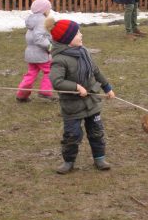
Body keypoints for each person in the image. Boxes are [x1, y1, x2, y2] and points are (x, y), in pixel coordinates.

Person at [49, 19, 115, 174]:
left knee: (96, 132)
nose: (81, 34)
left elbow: (96, 71)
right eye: (77, 32)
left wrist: (107, 87)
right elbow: (56, 81)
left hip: (92, 102)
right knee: (72, 135)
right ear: (67, 39)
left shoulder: (83, 51)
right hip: (72, 106)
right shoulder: (59, 59)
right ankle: (68, 162)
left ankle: (99, 158)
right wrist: (76, 87)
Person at [16, 0, 56, 101]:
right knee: (50, 71)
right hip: (41, 53)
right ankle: (45, 92)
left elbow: (31, 37)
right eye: (48, 8)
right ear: (43, 10)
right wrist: (50, 46)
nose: (50, 10)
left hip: (30, 53)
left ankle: (22, 94)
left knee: (31, 73)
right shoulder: (42, 20)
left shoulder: (32, 20)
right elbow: (38, 38)